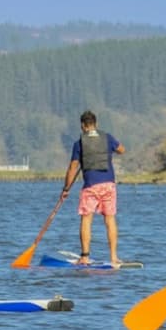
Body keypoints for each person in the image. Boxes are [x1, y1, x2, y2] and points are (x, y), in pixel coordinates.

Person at [60, 110, 126, 266]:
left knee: (86, 219)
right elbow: (122, 150)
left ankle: (84, 257)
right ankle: (114, 257)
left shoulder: (79, 143)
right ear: (95, 124)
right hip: (109, 184)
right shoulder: (107, 138)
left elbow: (72, 168)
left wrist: (66, 189)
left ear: (83, 126)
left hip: (91, 187)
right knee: (110, 219)